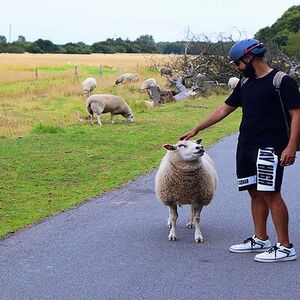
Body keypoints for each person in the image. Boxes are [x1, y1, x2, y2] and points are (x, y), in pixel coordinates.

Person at [180, 38, 300, 263]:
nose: (236, 67)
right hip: (246, 145)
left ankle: (285, 246)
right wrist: (197, 128)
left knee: (271, 193)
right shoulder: (245, 83)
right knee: (254, 191)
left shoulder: (281, 81)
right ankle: (260, 238)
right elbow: (224, 109)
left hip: (270, 147)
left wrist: (291, 146)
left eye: (237, 63)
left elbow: (297, 114)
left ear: (249, 58)